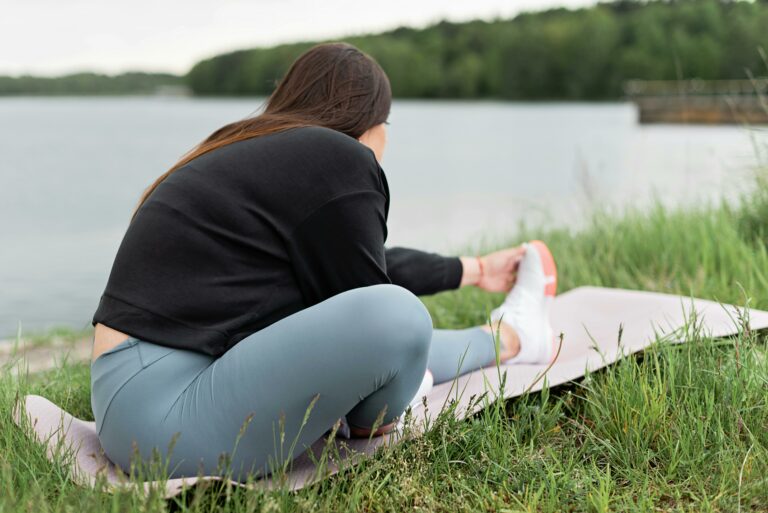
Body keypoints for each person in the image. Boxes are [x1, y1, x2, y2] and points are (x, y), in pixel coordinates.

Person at [89, 41, 558, 482]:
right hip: (166, 421)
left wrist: (474, 269)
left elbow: (356, 273)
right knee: (398, 320)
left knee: (380, 317)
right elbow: (372, 302)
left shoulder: (251, 147)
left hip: (137, 400)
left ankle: (509, 337)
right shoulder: (341, 155)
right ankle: (433, 376)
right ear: (374, 124)